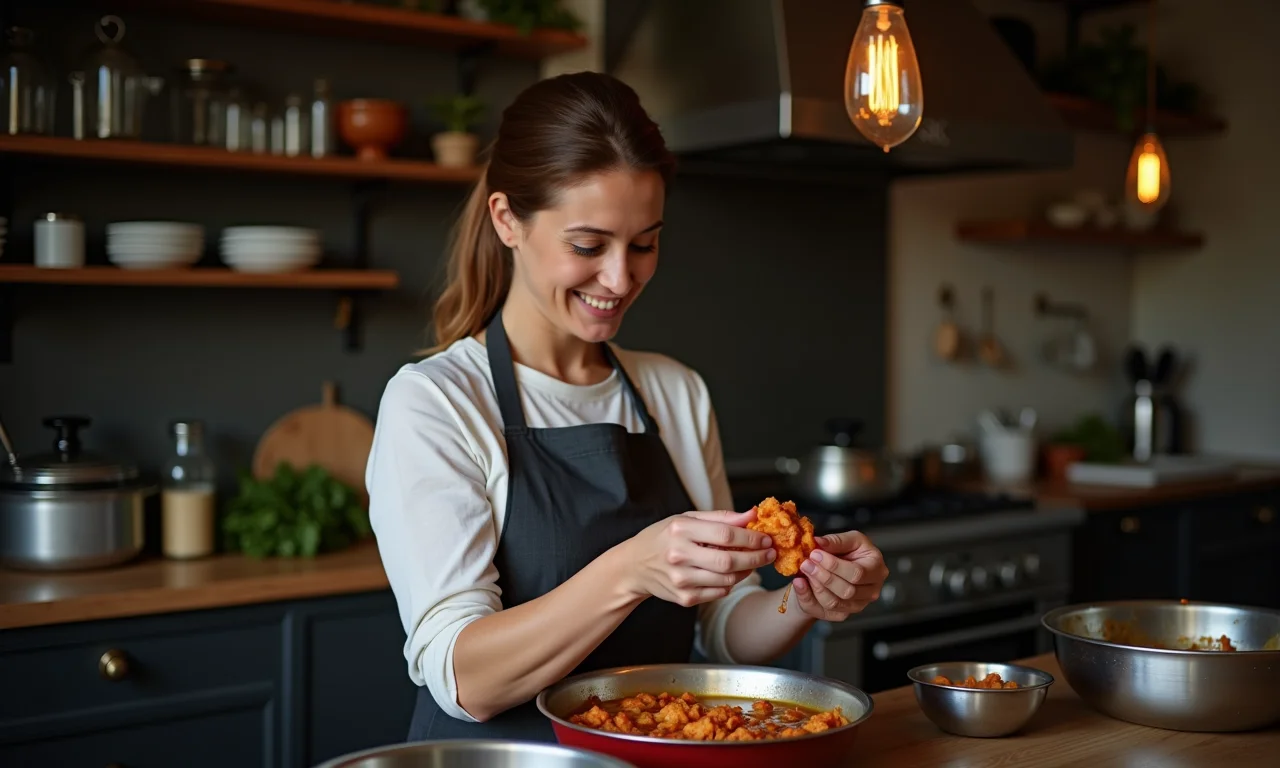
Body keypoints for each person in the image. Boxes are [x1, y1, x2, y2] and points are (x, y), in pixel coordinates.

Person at [366, 71, 889, 742]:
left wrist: (805, 597)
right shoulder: (437, 402)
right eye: (588, 246)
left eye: (644, 244)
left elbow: (725, 630)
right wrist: (631, 569)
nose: (619, 279)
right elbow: (464, 679)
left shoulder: (675, 392)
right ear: (507, 220)